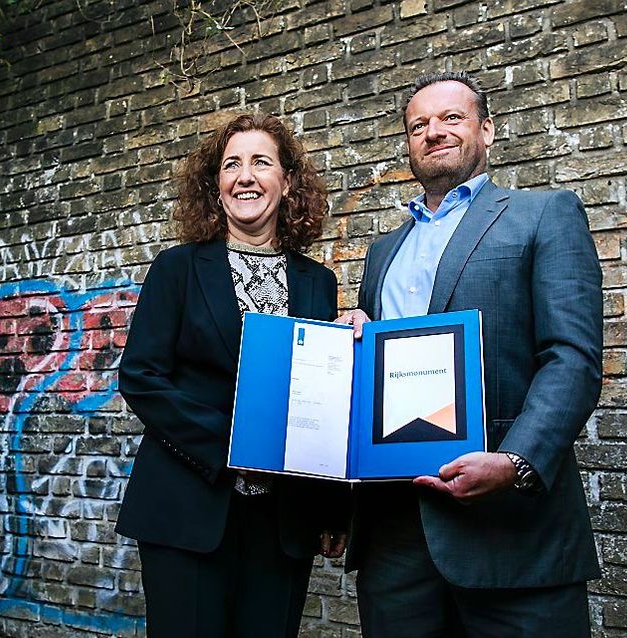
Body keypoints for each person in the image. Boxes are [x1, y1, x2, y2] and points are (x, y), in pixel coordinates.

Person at [338, 71, 602, 637]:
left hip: (511, 532)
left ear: (486, 129)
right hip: (394, 537)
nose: (434, 132)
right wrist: (349, 342)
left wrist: (517, 461)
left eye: (451, 118)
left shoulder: (544, 214)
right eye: (419, 125)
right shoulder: (383, 251)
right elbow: (373, 380)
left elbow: (572, 357)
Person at [116, 113, 349, 638]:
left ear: (287, 182)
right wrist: (236, 445)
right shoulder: (177, 268)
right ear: (216, 186)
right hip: (189, 506)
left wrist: (335, 508)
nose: (245, 176)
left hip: (284, 521)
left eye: (261, 162)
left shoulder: (318, 282)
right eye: (231, 165)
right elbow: (142, 377)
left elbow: (326, 403)